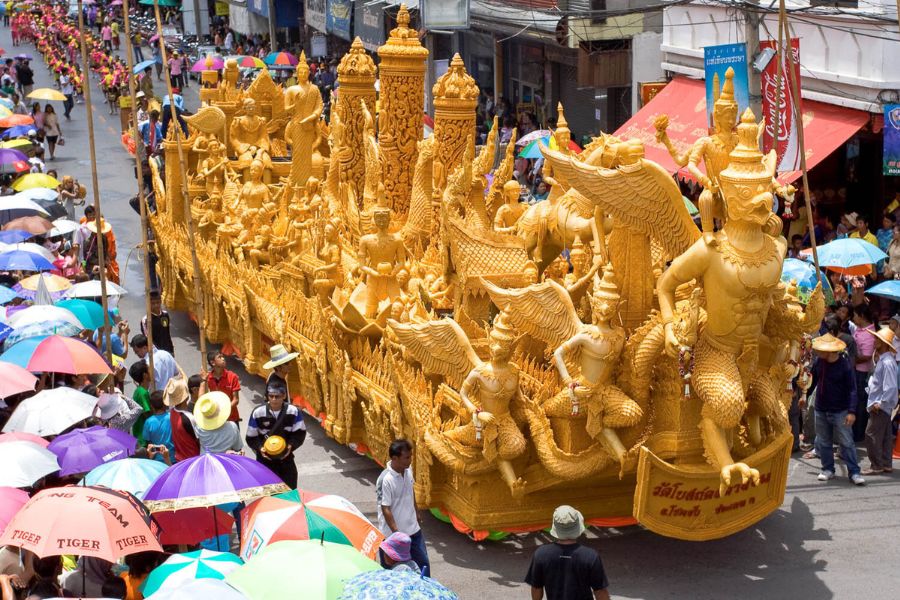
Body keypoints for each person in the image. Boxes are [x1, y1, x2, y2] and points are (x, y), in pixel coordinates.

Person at [809, 333, 865, 485]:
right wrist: (804, 395)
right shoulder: (819, 362)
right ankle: (828, 469)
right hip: (821, 409)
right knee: (824, 441)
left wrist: (852, 411)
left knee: (847, 442)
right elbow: (812, 380)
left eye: (821, 350)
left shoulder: (845, 365)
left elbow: (852, 390)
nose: (818, 352)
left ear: (829, 351)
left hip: (840, 410)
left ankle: (854, 472)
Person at [525, 505, 610, 600]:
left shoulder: (540, 554)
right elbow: (600, 591)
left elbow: (536, 588)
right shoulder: (590, 556)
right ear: (577, 526)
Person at [376, 439, 429, 577]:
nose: (410, 460)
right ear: (394, 458)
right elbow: (385, 508)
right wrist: (396, 533)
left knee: (423, 565)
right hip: (393, 537)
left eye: (411, 456)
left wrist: (416, 513)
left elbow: (410, 492)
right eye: (407, 457)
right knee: (392, 573)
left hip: (413, 530)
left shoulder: (408, 470)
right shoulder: (385, 479)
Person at [245, 380, 306, 488]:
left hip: (286, 459)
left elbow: (299, 433)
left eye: (277, 396)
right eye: (271, 396)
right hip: (265, 461)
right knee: (269, 496)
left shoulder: (293, 411)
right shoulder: (258, 412)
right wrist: (260, 448)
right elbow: (251, 437)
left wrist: (290, 446)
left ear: (284, 396)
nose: (274, 399)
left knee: (290, 493)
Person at [863, 326, 897, 475]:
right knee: (884, 436)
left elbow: (890, 386)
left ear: (883, 343)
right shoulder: (885, 360)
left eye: (877, 339)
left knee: (871, 434)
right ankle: (885, 463)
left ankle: (876, 465)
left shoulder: (887, 362)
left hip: (880, 405)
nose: (875, 340)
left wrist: (881, 403)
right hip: (881, 403)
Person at [851, 305, 876, 442]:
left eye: (855, 315)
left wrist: (851, 360)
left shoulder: (869, 333)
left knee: (860, 403)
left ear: (861, 316)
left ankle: (859, 433)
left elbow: (866, 355)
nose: (853, 317)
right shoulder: (860, 329)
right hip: (857, 370)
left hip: (862, 373)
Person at [164, 375, 200, 462]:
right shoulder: (189, 418)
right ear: (187, 396)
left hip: (180, 459)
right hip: (193, 458)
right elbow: (199, 440)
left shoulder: (172, 412)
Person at [206, 350, 241, 423]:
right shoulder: (207, 379)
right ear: (213, 363)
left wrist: (224, 410)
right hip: (216, 418)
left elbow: (236, 400)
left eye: (223, 356)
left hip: (231, 418)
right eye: (220, 357)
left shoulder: (232, 376)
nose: (223, 358)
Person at [142, 390, 174, 463]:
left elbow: (147, 441)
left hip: (156, 460)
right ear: (165, 404)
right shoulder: (172, 417)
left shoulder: (148, 422)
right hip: (172, 458)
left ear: (152, 406)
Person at [140, 289, 174, 355]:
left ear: (161, 301)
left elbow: (167, 333)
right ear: (148, 304)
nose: (156, 305)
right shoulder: (146, 320)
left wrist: (171, 349)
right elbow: (148, 339)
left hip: (168, 351)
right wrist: (157, 353)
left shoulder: (165, 315)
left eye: (158, 302)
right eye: (153, 303)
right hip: (156, 353)